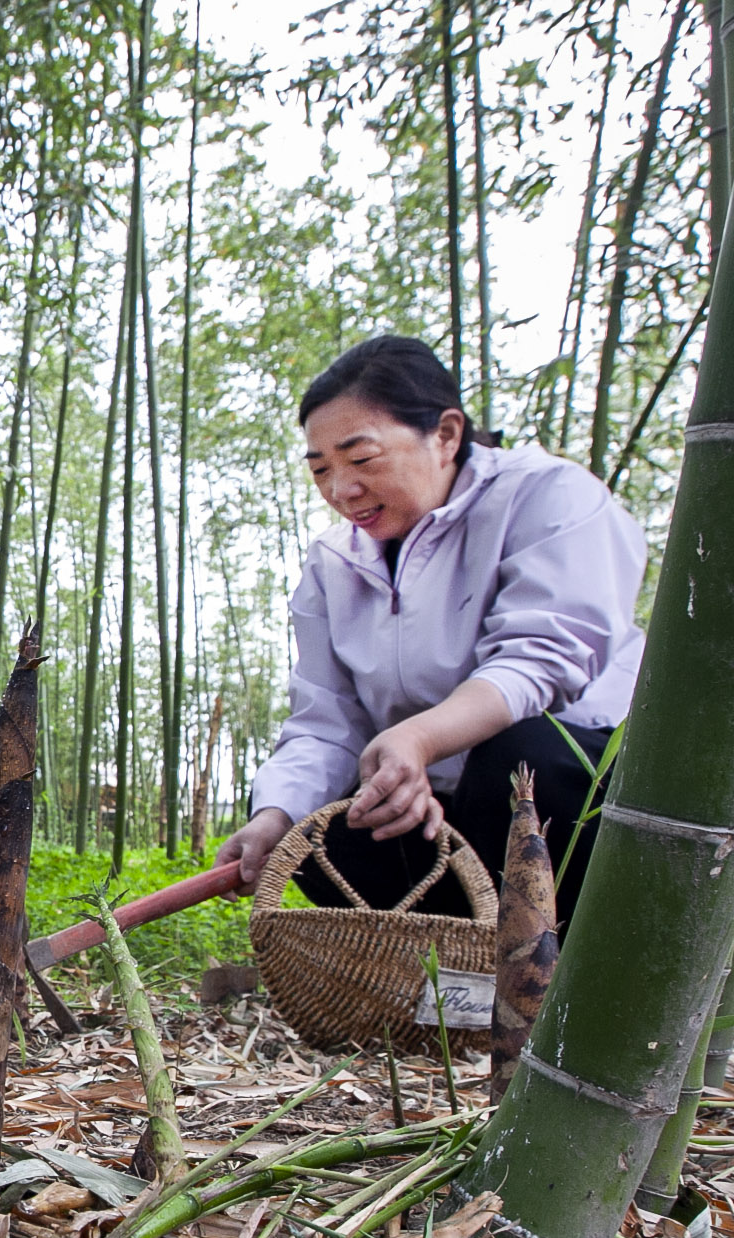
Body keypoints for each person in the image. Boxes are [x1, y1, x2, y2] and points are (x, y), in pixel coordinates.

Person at [214, 335, 644, 931]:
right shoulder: (332, 564)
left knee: (519, 762)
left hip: (572, 793)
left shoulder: (547, 494)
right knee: (313, 823)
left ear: (445, 434)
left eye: (362, 460)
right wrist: (274, 816)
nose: (341, 491)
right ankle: (444, 961)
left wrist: (420, 740)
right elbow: (325, 721)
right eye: (321, 470)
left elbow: (542, 659)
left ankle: (562, 958)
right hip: (437, 813)